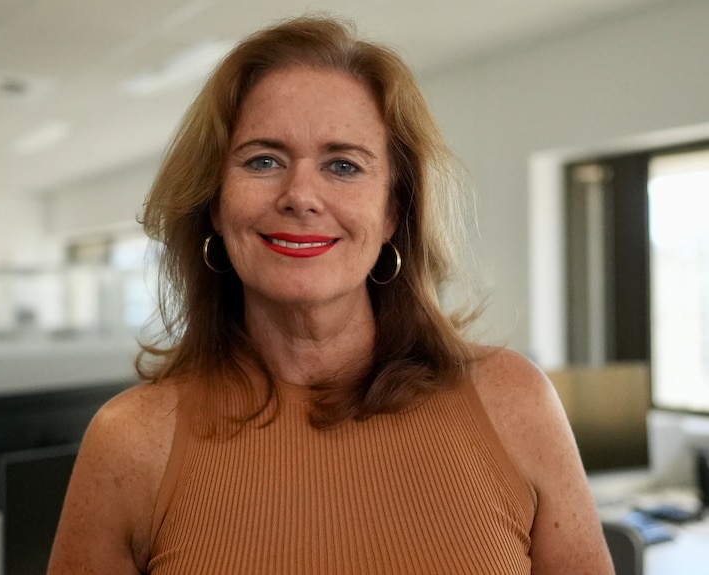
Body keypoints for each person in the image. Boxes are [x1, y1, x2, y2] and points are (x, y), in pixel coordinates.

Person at [47, 15, 614, 575]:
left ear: (392, 212)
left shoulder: (515, 401)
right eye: (263, 160)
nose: (301, 196)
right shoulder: (130, 443)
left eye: (343, 165)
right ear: (216, 204)